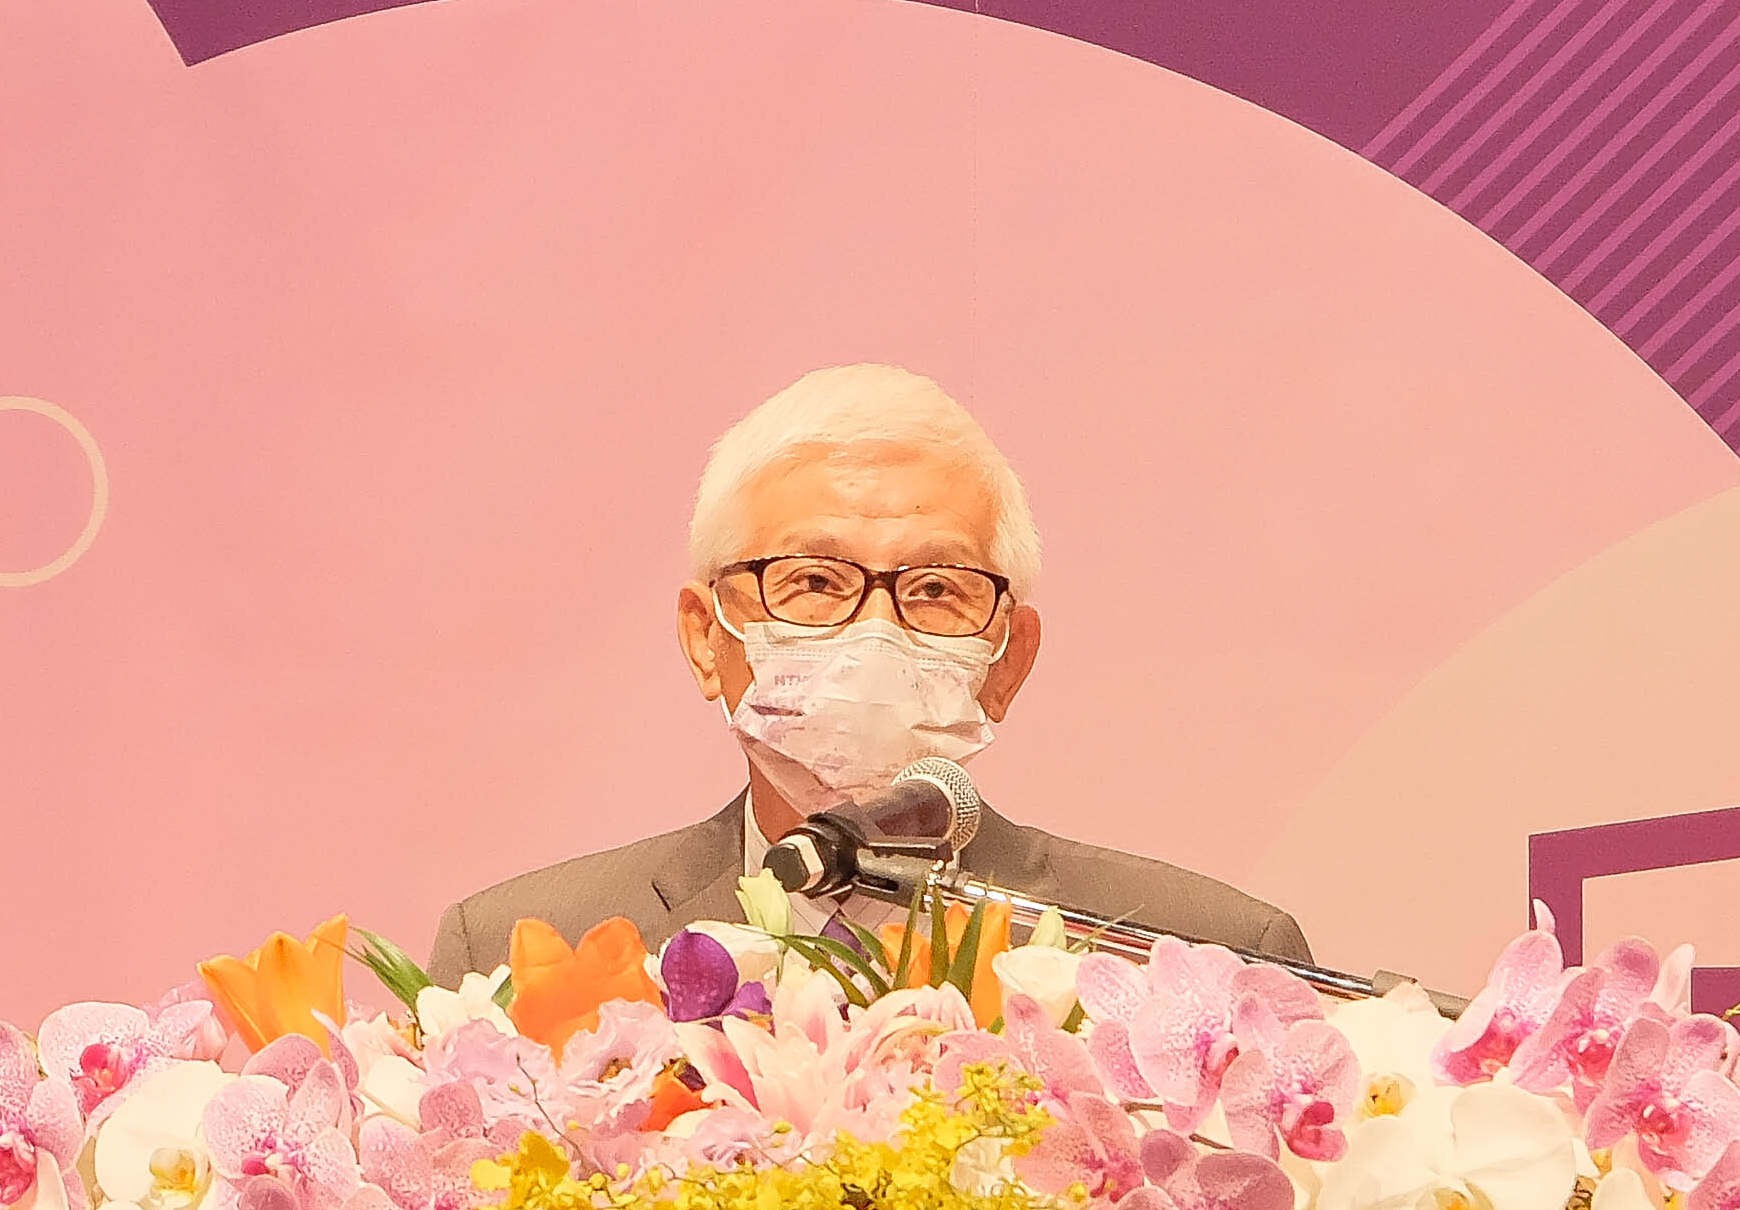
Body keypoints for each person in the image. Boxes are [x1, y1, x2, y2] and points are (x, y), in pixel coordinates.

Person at [432, 365, 1307, 979]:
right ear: (705, 637)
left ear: (1008, 661)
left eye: (935, 588)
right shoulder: (522, 951)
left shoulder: (1199, 956)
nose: (874, 633)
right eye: (813, 582)